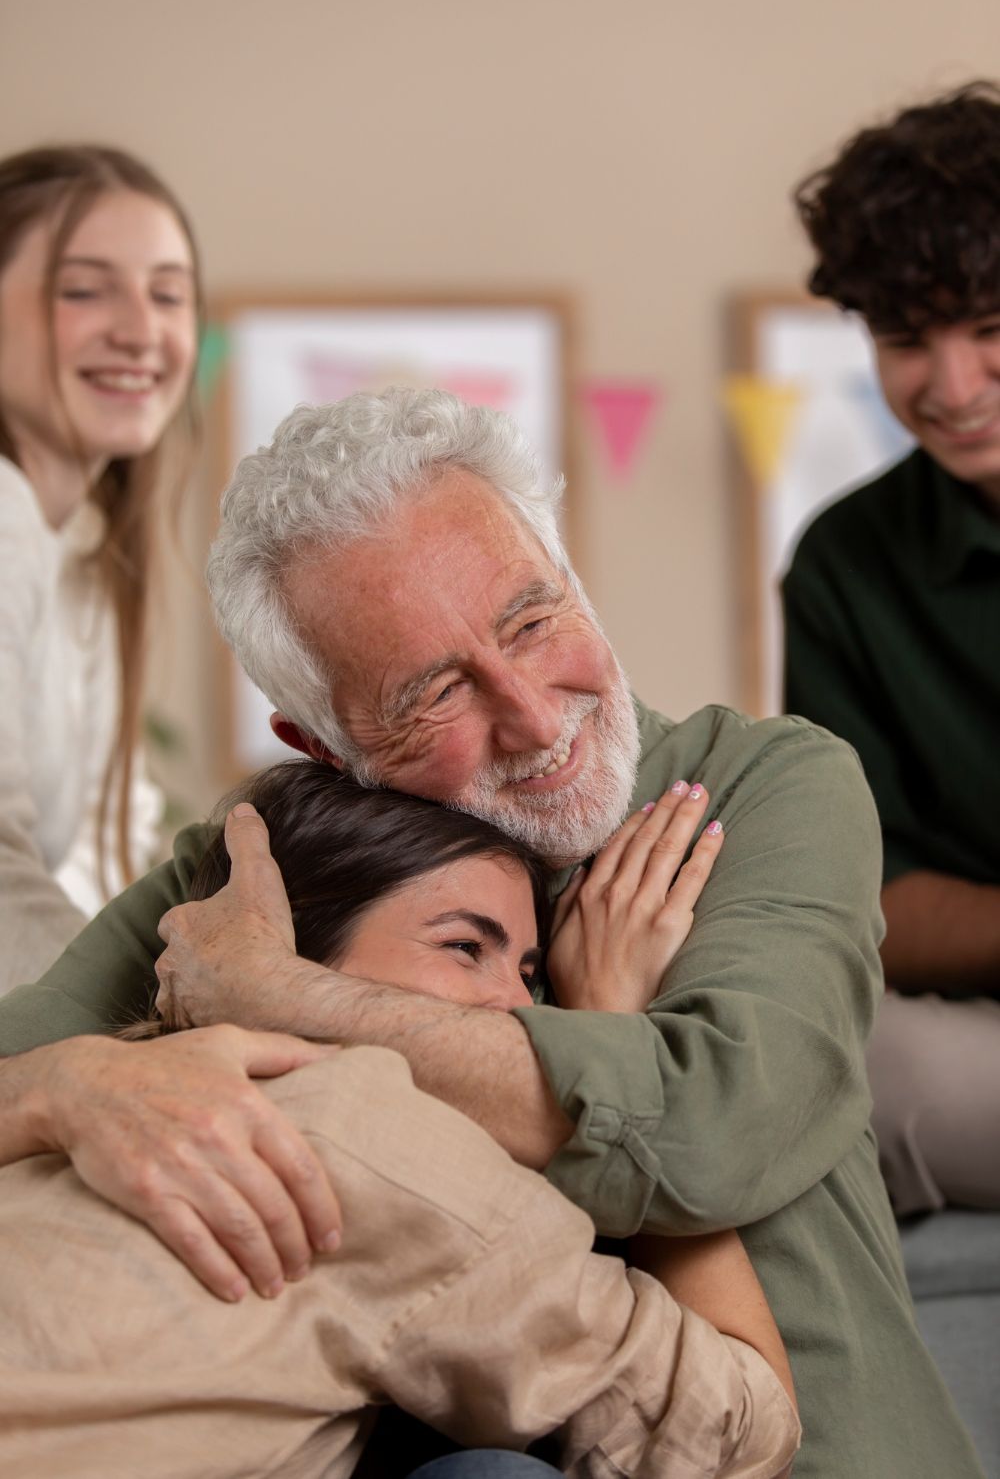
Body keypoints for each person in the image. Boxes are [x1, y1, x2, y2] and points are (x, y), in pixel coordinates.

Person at [0, 390, 984, 1477]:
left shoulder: (762, 787)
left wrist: (278, 1000)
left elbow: (715, 1126)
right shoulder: (257, 861)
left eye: (530, 618)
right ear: (321, 743)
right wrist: (70, 1088)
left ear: (573, 577)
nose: (529, 715)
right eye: (433, 693)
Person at [0, 761, 800, 1479]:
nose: (524, 1010)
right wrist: (617, 1045)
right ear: (293, 963)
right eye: (463, 948)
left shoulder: (96, 1096)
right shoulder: (383, 1141)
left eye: (531, 974)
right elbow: (741, 1429)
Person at [785, 82, 1000, 1216]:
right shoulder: (843, 565)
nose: (953, 387)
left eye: (991, 328)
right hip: (977, 1038)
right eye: (909, 341)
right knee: (847, 1069)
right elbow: (863, 904)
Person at [0, 144, 201, 994]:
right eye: (82, 290)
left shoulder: (79, 557)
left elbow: (103, 849)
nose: (139, 330)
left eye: (168, 295)